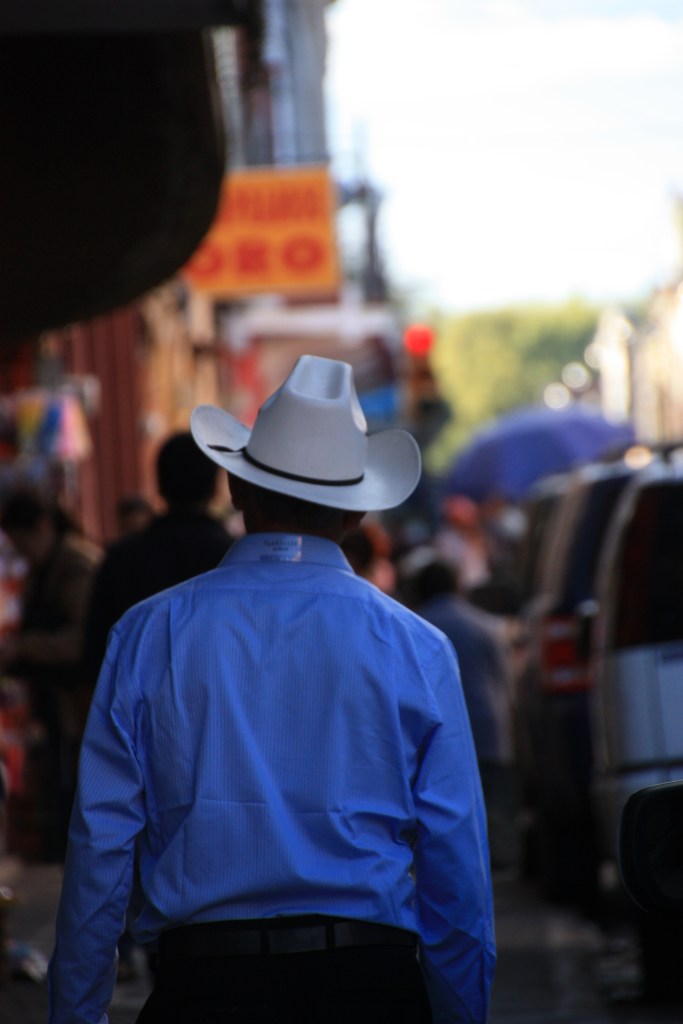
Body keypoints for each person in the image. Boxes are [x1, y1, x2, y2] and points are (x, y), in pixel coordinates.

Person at [48, 355, 496, 1024]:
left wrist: (75, 1013)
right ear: (356, 513)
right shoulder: (416, 647)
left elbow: (100, 846)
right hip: (370, 986)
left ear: (235, 487)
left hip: (204, 989)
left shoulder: (150, 633)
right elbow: (455, 867)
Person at [83, 430, 232, 688]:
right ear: (215, 488)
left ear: (160, 485)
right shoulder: (233, 557)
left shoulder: (122, 558)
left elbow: (96, 654)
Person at [0, 489, 101, 862]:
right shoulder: (45, 568)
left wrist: (25, 647)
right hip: (59, 703)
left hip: (80, 700)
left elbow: (82, 638)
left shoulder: (75, 565)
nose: (22, 552)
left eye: (22, 542)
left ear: (42, 527)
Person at [409, 555, 520, 871]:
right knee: (495, 803)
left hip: (439, 737)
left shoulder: (415, 625)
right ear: (457, 586)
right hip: (489, 731)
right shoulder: (484, 624)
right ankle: (500, 863)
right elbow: (505, 681)